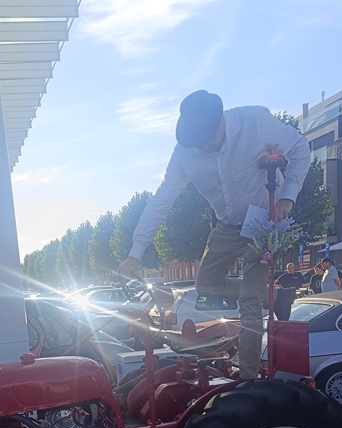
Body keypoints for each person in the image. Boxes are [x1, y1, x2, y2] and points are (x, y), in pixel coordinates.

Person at [118, 90, 311, 378]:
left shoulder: (255, 122)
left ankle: (248, 380)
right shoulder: (185, 154)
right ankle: (266, 295)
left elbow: (300, 148)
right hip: (226, 226)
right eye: (198, 143)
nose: (205, 147)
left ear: (221, 120)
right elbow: (160, 202)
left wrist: (288, 197)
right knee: (206, 283)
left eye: (208, 139)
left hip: (261, 224)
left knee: (248, 308)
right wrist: (135, 254)